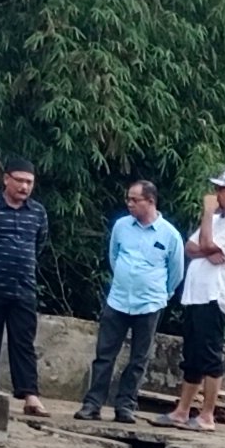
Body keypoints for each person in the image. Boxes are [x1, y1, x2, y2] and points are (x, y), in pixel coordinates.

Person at [80, 180, 187, 421]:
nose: (129, 204)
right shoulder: (121, 226)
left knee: (139, 358)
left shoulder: (169, 235)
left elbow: (176, 272)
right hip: (118, 300)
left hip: (149, 304)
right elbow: (114, 256)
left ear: (150, 201)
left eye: (134, 200)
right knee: (104, 354)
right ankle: (92, 403)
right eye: (128, 199)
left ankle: (125, 406)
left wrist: (161, 293)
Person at [164, 168, 225, 431]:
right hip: (195, 295)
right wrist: (207, 247)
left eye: (221, 190)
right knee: (192, 355)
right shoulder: (216, 221)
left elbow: (205, 243)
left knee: (210, 355)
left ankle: (207, 415)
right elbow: (191, 248)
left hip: (215, 296)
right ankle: (182, 410)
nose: (215, 196)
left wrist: (206, 214)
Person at [0, 162, 51, 415]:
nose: (24, 186)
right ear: (6, 179)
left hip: (24, 287)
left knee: (24, 342)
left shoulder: (37, 212)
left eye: (29, 182)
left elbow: (39, 244)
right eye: (20, 180)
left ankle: (30, 396)